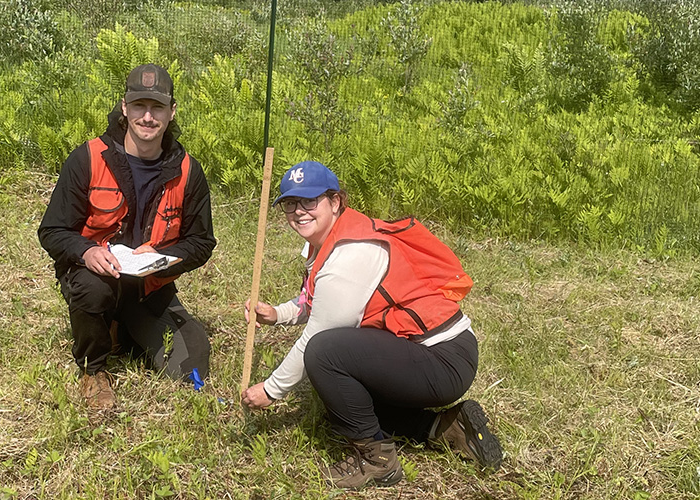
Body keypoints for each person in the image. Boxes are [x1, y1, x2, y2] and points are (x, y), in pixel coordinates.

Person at [240, 160, 503, 489]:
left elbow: (318, 334)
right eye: (290, 203)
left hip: (442, 359)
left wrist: (270, 390)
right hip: (435, 352)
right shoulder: (334, 236)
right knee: (343, 406)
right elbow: (317, 301)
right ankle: (446, 426)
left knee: (325, 353)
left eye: (309, 201)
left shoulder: (352, 253)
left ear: (335, 202)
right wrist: (277, 314)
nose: (298, 212)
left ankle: (378, 463)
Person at [39, 64, 216, 411]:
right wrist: (86, 252)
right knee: (93, 288)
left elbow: (201, 243)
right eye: (139, 106)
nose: (147, 117)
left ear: (172, 111)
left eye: (157, 108)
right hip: (96, 277)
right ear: (124, 107)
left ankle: (121, 328)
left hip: (150, 285)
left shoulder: (188, 171)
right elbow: (52, 230)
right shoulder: (87, 158)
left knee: (190, 365)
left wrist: (164, 260)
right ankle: (94, 370)